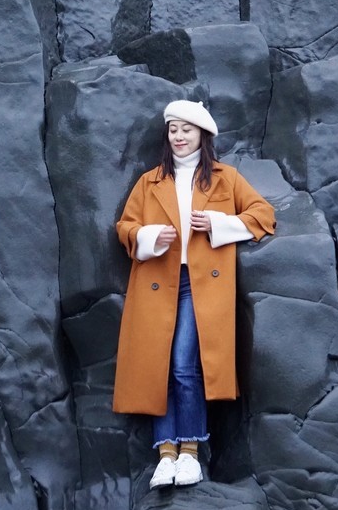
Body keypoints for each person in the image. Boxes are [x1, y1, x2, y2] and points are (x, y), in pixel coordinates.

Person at [112, 99, 276, 488]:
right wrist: (149, 236)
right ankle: (165, 455)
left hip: (200, 286)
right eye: (173, 130)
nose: (179, 137)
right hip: (156, 284)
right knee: (160, 367)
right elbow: (125, 227)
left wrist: (220, 224)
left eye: (187, 129)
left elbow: (263, 215)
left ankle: (191, 452)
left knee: (186, 365)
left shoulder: (225, 177)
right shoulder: (150, 181)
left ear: (204, 133)